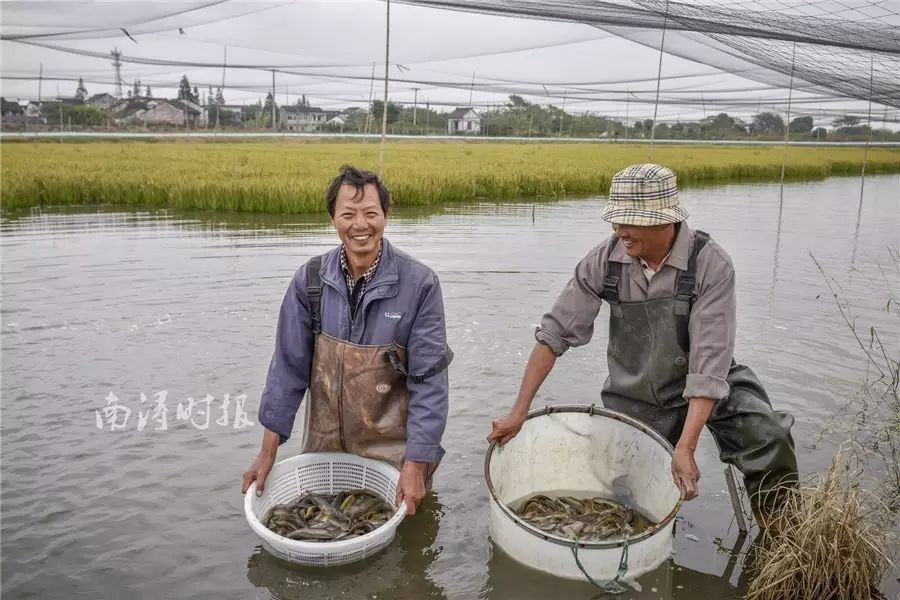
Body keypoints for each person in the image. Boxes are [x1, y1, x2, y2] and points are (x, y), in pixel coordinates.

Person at [488, 163, 798, 524]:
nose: (619, 230)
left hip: (710, 384)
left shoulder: (710, 264)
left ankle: (781, 539)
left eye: (629, 221)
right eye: (615, 221)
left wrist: (686, 446)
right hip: (636, 391)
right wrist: (519, 411)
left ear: (663, 220)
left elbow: (709, 364)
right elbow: (554, 334)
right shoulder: (605, 261)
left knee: (769, 437)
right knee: (619, 483)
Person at [241, 165, 452, 516]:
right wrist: (267, 453)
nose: (360, 225)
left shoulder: (421, 286)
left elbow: (429, 382)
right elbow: (287, 370)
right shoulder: (309, 282)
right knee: (320, 531)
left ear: (386, 215)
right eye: (348, 214)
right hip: (325, 449)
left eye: (371, 213)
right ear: (332, 218)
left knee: (406, 546)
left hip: (396, 454)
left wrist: (416, 464)